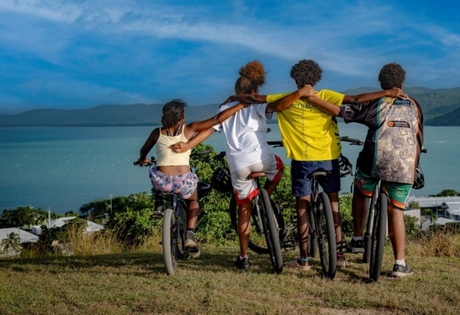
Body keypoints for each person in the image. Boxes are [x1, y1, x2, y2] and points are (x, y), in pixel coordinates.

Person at [224, 59, 405, 270]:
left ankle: (304, 260)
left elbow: (254, 98)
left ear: (294, 79)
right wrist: (386, 93)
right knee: (334, 203)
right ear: (317, 77)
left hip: (302, 160)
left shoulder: (287, 98)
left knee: (303, 205)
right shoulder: (326, 95)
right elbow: (356, 100)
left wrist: (235, 96)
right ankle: (338, 255)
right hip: (329, 158)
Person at [169, 60, 305, 270]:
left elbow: (210, 128)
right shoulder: (256, 104)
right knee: (279, 168)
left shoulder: (225, 107)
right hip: (262, 159)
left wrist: (188, 145)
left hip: (238, 165)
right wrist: (299, 93)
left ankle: (243, 257)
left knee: (244, 210)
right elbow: (279, 105)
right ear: (254, 90)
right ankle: (266, 197)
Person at [304, 62, 424, 277]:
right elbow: (418, 137)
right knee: (396, 210)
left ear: (381, 82)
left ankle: (358, 237)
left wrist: (313, 99)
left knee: (361, 188)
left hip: (373, 163)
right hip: (404, 167)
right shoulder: (415, 105)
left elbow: (342, 111)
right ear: (402, 82)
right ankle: (400, 264)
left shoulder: (378, 104)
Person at [137, 99, 250, 258]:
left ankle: (159, 203)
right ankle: (190, 235)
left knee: (156, 175)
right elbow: (216, 120)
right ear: (182, 117)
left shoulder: (157, 132)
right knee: (193, 200)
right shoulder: (189, 129)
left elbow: (144, 150)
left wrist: (143, 158)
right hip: (184, 182)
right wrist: (240, 105)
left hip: (162, 181)